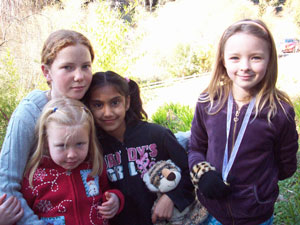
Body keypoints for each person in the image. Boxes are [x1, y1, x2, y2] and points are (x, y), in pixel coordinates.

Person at [188, 19, 299, 225]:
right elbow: (195, 147)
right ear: (223, 60)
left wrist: (258, 188)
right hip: (212, 211)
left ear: (270, 60)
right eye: (235, 58)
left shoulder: (280, 112)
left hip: (256, 215)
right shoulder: (208, 102)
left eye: (256, 57)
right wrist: (202, 174)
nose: (245, 66)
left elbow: (287, 166)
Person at [0, 29, 94, 224]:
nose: (79, 76)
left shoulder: (93, 104)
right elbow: (5, 183)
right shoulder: (30, 113)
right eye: (68, 67)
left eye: (85, 66)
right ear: (46, 72)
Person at [83, 71, 197, 225]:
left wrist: (172, 197)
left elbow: (190, 171)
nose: (107, 112)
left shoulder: (157, 135)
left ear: (127, 102)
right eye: (98, 105)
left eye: (115, 102)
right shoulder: (91, 148)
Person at [21, 97, 124, 224]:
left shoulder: (94, 166)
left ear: (89, 139)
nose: (71, 154)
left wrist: (115, 199)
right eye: (61, 146)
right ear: (46, 142)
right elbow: (23, 215)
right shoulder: (33, 177)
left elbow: (106, 190)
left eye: (80, 144)